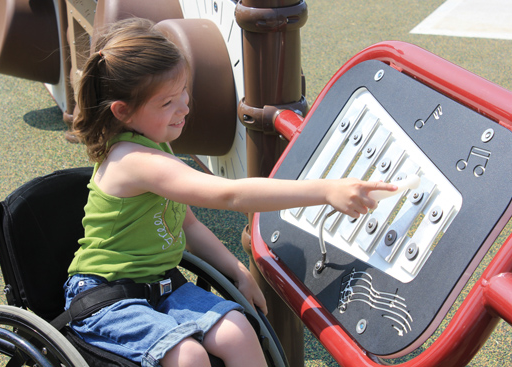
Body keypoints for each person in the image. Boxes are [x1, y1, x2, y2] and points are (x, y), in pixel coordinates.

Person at [64, 17, 396, 367]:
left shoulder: (156, 145)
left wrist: (237, 271)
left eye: (184, 92)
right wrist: (325, 191)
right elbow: (230, 195)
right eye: (167, 103)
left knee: (238, 331)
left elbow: (188, 227)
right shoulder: (133, 160)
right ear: (123, 111)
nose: (185, 107)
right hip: (108, 298)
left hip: (161, 286)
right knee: (188, 356)